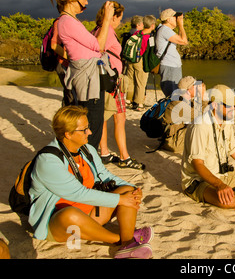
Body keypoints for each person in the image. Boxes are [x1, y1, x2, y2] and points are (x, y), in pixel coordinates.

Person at [28, 106, 153, 259]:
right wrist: (120, 200)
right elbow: (78, 194)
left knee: (127, 190)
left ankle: (127, 243)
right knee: (70, 214)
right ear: (68, 134)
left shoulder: (86, 150)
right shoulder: (48, 160)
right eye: (84, 129)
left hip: (90, 213)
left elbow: (104, 175)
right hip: (58, 224)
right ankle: (120, 239)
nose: (90, 132)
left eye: (88, 128)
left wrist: (133, 189)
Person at [50, 0, 115, 150]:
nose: (86, 2)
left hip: (88, 77)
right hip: (88, 80)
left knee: (93, 122)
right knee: (92, 126)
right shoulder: (68, 22)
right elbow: (99, 45)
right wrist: (107, 18)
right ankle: (88, 167)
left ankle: (88, 165)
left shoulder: (69, 21)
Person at [94, 1, 145, 170]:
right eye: (119, 18)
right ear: (113, 16)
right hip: (111, 81)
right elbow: (99, 51)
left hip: (102, 80)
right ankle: (124, 156)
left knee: (103, 117)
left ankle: (104, 152)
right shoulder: (107, 31)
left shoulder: (97, 30)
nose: (120, 22)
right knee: (119, 118)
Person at [162, 76, 208, 153]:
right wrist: (203, 95)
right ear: (188, 90)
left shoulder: (183, 99)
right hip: (173, 143)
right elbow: (203, 113)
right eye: (195, 86)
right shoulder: (179, 105)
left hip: (176, 136)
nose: (197, 88)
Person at [126, 15, 157, 111]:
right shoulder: (149, 37)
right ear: (152, 25)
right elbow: (150, 52)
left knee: (131, 81)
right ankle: (139, 104)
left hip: (131, 60)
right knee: (141, 82)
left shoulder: (137, 33)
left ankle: (129, 100)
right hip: (140, 60)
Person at [156, 8, 188, 97]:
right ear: (168, 19)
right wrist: (181, 25)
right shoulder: (165, 30)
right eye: (175, 17)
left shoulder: (165, 30)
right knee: (173, 95)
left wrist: (179, 25)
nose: (177, 19)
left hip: (172, 66)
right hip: (169, 66)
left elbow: (181, 40)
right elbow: (184, 41)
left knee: (176, 94)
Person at [124, 15, 143, 106]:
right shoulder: (140, 34)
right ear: (138, 25)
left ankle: (128, 99)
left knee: (130, 80)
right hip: (138, 59)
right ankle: (138, 102)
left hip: (129, 59)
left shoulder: (128, 34)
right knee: (139, 81)